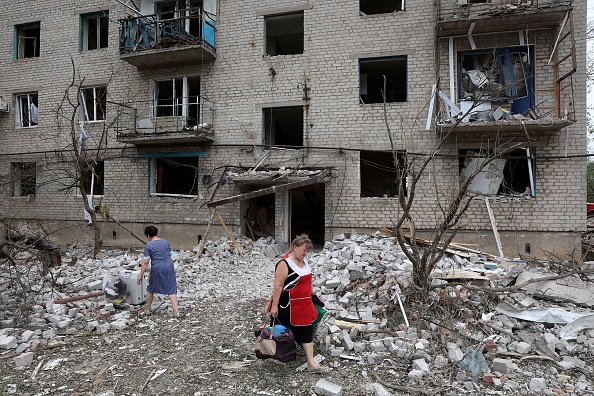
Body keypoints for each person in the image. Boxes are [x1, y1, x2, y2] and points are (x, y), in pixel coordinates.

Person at [268, 234, 326, 373]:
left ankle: (311, 364)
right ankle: (278, 356)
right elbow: (278, 286)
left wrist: (314, 296)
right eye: (303, 250)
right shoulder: (284, 263)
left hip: (303, 304)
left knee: (306, 332)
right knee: (281, 330)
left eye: (307, 251)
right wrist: (274, 306)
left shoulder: (305, 262)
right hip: (286, 304)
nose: (305, 253)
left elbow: (308, 281)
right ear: (295, 247)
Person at [137, 226, 180, 317]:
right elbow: (169, 253)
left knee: (151, 288)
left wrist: (141, 275)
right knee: (171, 289)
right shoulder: (165, 242)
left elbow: (145, 262)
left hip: (157, 267)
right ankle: (176, 312)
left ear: (148, 235)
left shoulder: (148, 246)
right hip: (169, 265)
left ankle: (148, 310)